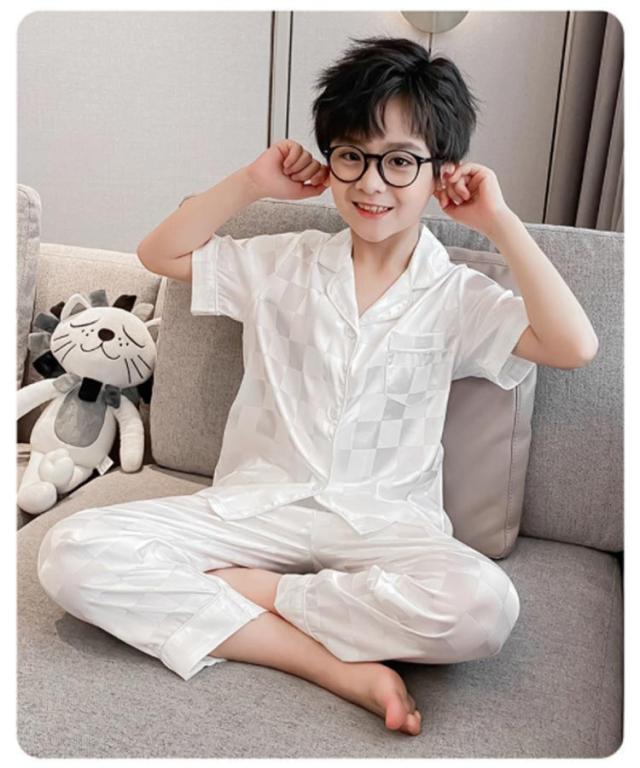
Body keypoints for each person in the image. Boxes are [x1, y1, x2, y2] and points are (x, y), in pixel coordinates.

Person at [37, 36, 598, 739]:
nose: (371, 184)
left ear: (440, 172)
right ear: (331, 159)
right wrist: (251, 183)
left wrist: (499, 222)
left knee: (485, 608)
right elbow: (160, 254)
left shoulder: (458, 295)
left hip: (384, 527)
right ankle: (328, 664)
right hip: (256, 510)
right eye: (352, 156)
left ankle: (254, 596)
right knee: (70, 553)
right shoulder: (283, 263)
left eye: (400, 161)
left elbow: (574, 346)